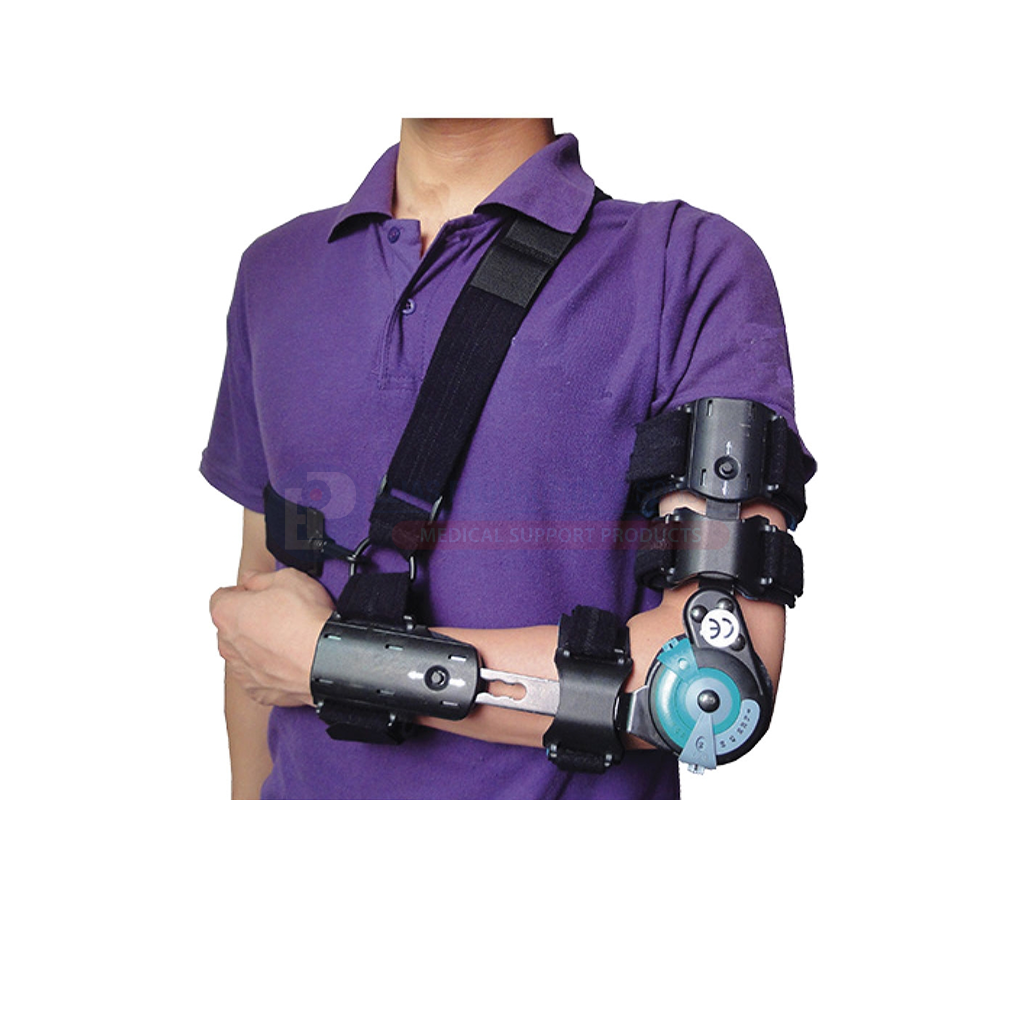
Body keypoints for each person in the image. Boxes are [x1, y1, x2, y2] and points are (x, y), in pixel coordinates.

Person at [204, 118, 815, 800]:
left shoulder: (685, 262)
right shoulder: (275, 271)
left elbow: (714, 682)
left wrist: (336, 663)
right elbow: (256, 626)